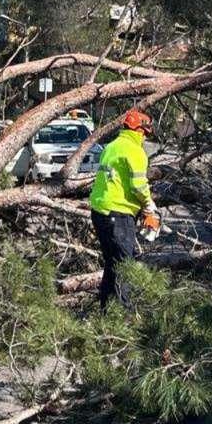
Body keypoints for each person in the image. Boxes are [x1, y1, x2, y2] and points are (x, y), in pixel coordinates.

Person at [88, 108, 160, 312]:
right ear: (140, 131)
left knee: (112, 265)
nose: (145, 138)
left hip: (100, 212)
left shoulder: (111, 146)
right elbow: (138, 185)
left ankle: (106, 313)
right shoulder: (134, 150)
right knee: (124, 267)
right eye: (145, 134)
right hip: (117, 215)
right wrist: (149, 206)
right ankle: (121, 317)